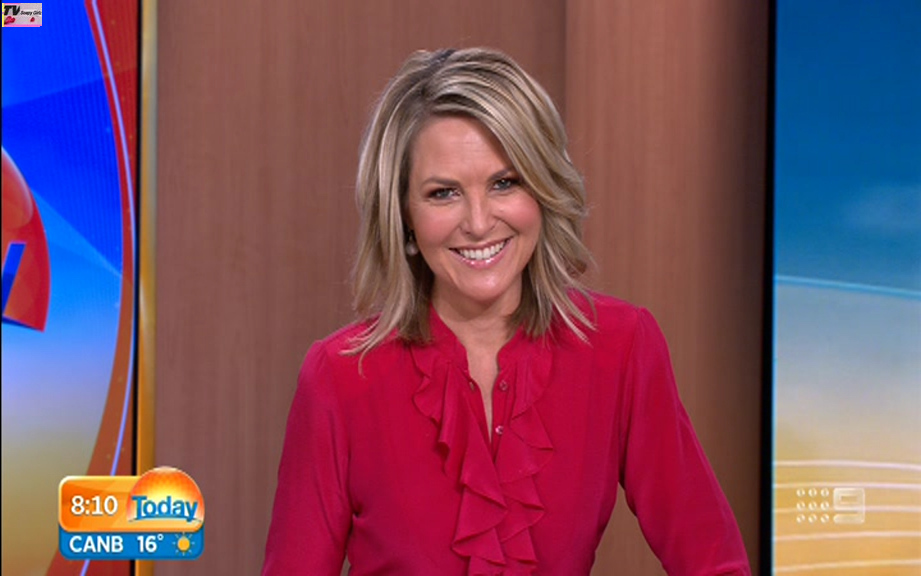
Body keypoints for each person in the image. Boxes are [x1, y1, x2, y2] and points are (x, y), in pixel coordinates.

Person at [262, 47, 750, 575]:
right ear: (403, 215)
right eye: (443, 193)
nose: (478, 223)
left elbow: (714, 562)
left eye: (504, 183)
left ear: (542, 190)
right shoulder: (339, 377)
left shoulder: (621, 346)